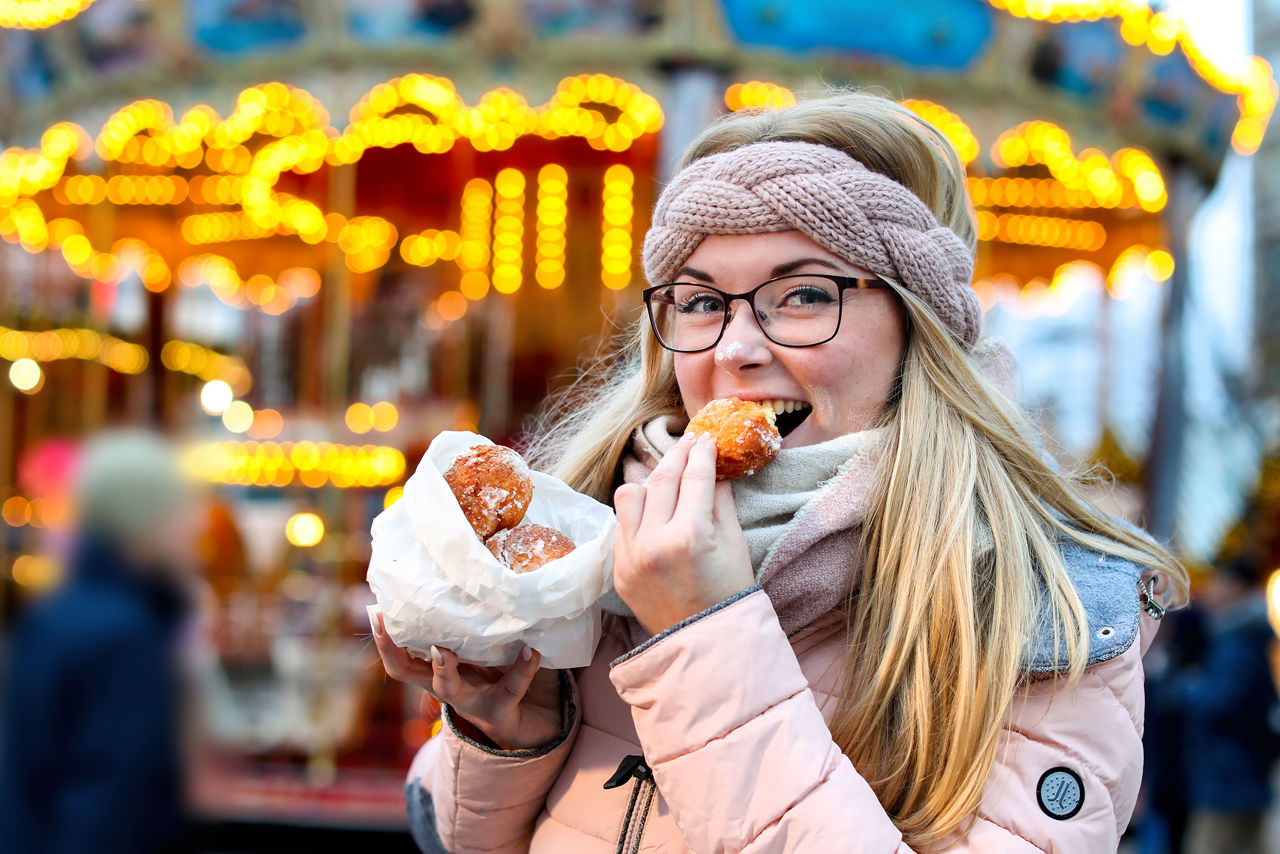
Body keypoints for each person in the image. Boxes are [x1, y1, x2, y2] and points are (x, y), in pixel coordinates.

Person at [373, 90, 1189, 852]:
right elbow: (460, 835)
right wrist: (509, 733)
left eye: (802, 295)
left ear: (918, 327)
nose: (735, 348)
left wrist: (706, 635)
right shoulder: (592, 536)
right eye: (700, 302)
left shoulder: (1045, 613)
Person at [0, 428, 203, 854]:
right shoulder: (125, 636)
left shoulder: (56, 618)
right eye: (180, 510)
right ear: (145, 519)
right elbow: (110, 802)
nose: (195, 525)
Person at [1180, 557, 1279, 854]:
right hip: (1247, 768)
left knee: (1209, 844)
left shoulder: (1235, 639)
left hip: (1226, 773)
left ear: (1237, 587)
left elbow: (1219, 700)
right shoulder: (1249, 634)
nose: (1212, 589)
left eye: (1219, 581)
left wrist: (1187, 686)